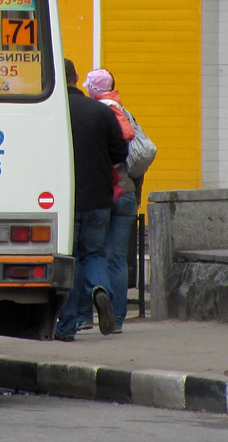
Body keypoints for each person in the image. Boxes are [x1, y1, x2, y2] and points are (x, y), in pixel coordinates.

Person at [54, 59, 129, 341]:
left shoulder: (56, 114)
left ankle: (66, 326)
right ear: (76, 78)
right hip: (100, 196)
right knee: (95, 253)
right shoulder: (101, 111)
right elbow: (121, 153)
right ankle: (100, 288)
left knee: (70, 260)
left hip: (67, 197)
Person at [84, 68, 140, 333]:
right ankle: (117, 320)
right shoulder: (124, 112)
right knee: (118, 258)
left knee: (92, 253)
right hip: (127, 191)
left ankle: (86, 313)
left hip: (104, 192)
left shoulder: (95, 115)